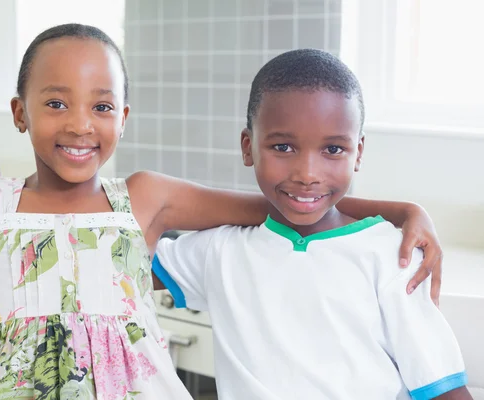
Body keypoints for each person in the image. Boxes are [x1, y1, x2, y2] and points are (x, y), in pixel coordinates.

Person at [0, 24, 442, 399]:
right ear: (20, 111)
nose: (81, 125)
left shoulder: (146, 198)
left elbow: (285, 203)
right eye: (56, 104)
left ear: (123, 118)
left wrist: (399, 210)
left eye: (102, 107)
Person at [151, 49, 471, 399]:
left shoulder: (393, 257)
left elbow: (446, 391)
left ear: (358, 153)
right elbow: (110, 260)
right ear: (248, 147)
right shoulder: (218, 251)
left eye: (333, 150)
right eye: (283, 147)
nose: (307, 175)